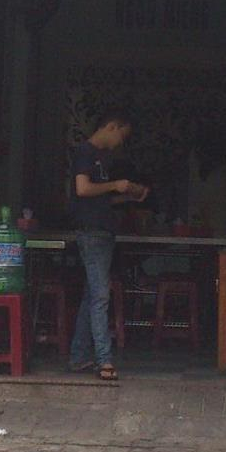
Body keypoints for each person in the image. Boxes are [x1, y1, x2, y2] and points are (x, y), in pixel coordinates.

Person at [69, 110, 148, 382]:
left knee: (92, 295)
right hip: (91, 232)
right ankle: (104, 359)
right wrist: (116, 184)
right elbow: (82, 189)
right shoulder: (85, 152)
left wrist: (128, 195)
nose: (119, 143)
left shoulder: (101, 157)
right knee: (101, 296)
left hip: (102, 231)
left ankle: (79, 356)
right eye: (121, 136)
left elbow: (97, 198)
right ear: (112, 126)